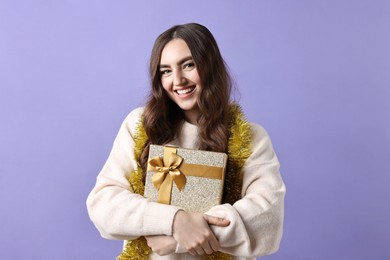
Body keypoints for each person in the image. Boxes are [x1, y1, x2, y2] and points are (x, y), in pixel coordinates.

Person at [87, 23, 286, 260]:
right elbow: (104, 204)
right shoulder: (140, 125)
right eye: (166, 71)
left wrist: (180, 237)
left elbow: (267, 219)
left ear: (210, 66)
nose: (178, 80)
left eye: (188, 65)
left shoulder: (250, 137)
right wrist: (175, 220)